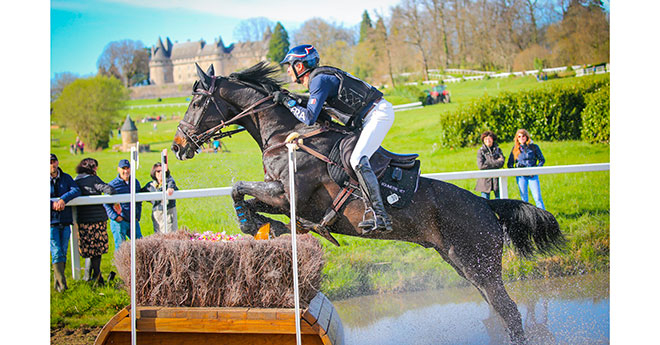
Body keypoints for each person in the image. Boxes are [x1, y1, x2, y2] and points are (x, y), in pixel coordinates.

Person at [274, 44, 394, 233]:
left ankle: (380, 216)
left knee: (357, 160)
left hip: (377, 115)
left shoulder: (318, 80)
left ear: (299, 66)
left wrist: (287, 102)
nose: (288, 70)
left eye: (289, 65)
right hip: (368, 117)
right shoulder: (319, 79)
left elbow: (309, 117)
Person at [74, 158, 116, 285]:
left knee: (89, 249)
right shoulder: (93, 179)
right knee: (98, 249)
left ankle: (92, 277)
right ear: (93, 168)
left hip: (83, 219)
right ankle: (98, 277)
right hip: (97, 219)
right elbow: (110, 190)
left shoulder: (76, 180)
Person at [50, 153, 81, 292]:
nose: (52, 164)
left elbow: (76, 190)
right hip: (51, 222)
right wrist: (52, 204)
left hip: (65, 220)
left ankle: (58, 284)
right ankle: (63, 285)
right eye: (49, 162)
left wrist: (63, 199)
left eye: (54, 161)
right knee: (57, 252)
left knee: (63, 251)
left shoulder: (66, 177)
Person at [104, 159, 143, 251]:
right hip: (119, 221)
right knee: (121, 248)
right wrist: (115, 216)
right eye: (123, 168)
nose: (126, 171)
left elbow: (139, 201)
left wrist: (137, 216)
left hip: (133, 220)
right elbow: (106, 203)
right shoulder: (113, 185)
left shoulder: (135, 182)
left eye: (127, 168)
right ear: (118, 169)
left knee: (140, 245)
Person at [507, 129, 546, 209]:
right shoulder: (515, 149)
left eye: (523, 136)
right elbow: (510, 163)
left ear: (527, 137)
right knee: (524, 199)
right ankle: (527, 217)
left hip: (532, 176)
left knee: (537, 197)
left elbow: (542, 160)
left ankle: (544, 216)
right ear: (517, 138)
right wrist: (516, 171)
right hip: (521, 177)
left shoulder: (534, 147)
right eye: (519, 136)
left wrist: (536, 169)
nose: (521, 138)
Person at [141, 162, 179, 234]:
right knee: (159, 238)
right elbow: (141, 193)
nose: (160, 173)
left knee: (170, 237)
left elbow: (173, 185)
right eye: (158, 171)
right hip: (157, 214)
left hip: (168, 213)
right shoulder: (150, 185)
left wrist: (171, 188)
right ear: (154, 173)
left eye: (163, 171)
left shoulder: (170, 183)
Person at [475, 131, 505, 199]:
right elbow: (481, 165)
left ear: (493, 139)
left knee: (499, 201)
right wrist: (495, 162)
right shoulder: (481, 151)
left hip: (496, 179)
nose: (487, 140)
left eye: (489, 138)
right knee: (485, 201)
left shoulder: (498, 150)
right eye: (485, 139)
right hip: (485, 180)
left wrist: (488, 162)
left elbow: (501, 163)